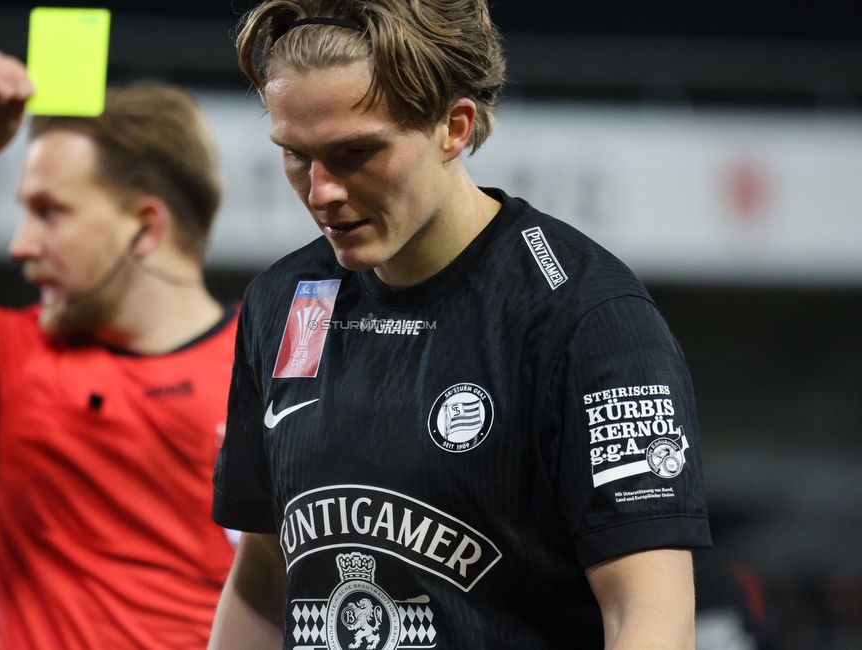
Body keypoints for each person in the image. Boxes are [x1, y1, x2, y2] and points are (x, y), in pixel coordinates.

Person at [208, 1, 712, 649]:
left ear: (455, 127)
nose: (322, 190)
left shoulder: (588, 318)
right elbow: (260, 585)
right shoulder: (283, 301)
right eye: (296, 155)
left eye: (356, 152)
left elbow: (649, 616)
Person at [0, 51, 237, 649]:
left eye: (49, 212)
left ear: (146, 228)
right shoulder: (8, 355)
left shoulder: (282, 375)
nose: (20, 246)